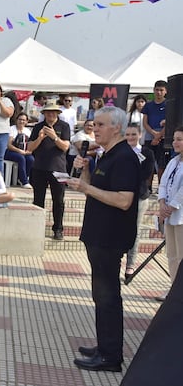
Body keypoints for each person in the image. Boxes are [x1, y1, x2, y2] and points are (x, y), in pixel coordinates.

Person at [67, 106, 139, 372]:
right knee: (101, 295)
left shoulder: (124, 158)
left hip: (110, 238)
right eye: (94, 124)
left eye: (100, 125)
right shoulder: (106, 155)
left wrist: (86, 186)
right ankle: (104, 346)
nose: (94, 129)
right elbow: (94, 192)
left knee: (108, 296)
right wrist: (84, 172)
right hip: (98, 236)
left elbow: (124, 200)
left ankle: (111, 357)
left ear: (116, 128)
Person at [28, 99, 71, 240]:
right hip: (39, 167)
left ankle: (58, 229)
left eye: (53, 112)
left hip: (59, 168)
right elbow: (29, 148)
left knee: (59, 200)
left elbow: (65, 147)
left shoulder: (64, 126)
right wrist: (40, 138)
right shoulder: (38, 127)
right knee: (38, 199)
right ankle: (36, 228)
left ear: (58, 113)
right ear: (44, 113)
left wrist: (54, 137)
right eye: (48, 112)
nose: (51, 114)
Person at [124, 124, 155, 279]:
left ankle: (130, 265)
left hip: (140, 197)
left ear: (140, 135)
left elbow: (147, 173)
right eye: (127, 134)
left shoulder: (147, 152)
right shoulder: (120, 152)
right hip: (120, 197)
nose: (130, 138)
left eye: (133, 134)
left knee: (134, 230)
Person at [156, 126, 183, 301]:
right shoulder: (174, 161)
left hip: (180, 215)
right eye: (174, 139)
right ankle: (174, 289)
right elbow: (163, 184)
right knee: (172, 254)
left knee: (182, 255)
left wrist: (171, 206)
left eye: (179, 139)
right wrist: (162, 202)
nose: (175, 142)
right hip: (169, 215)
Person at [142, 80, 168, 187]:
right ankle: (148, 187)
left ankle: (161, 187)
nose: (159, 92)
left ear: (166, 91)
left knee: (161, 163)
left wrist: (159, 135)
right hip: (149, 134)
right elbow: (145, 122)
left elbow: (170, 121)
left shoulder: (169, 104)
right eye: (157, 90)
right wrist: (153, 133)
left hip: (164, 135)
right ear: (153, 90)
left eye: (161, 90)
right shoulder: (148, 105)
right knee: (148, 162)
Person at [4, 112, 35, 188]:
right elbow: (9, 145)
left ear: (27, 121)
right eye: (20, 119)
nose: (21, 121)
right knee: (20, 158)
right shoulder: (11, 129)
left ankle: (24, 177)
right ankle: (24, 181)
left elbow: (30, 144)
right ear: (16, 120)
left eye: (24, 120)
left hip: (24, 151)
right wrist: (20, 151)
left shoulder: (28, 131)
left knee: (31, 159)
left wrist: (29, 151)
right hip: (10, 151)